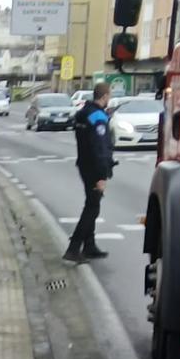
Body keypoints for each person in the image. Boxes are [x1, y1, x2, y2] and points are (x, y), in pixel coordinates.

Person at [65, 82, 113, 262]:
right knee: (92, 208)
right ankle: (74, 248)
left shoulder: (82, 113)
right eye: (109, 95)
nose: (110, 99)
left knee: (92, 204)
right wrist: (102, 175)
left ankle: (89, 246)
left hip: (84, 164)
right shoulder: (98, 116)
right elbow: (99, 147)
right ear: (105, 96)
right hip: (94, 168)